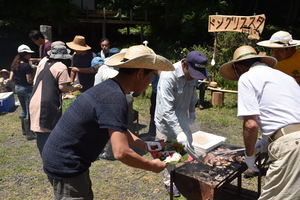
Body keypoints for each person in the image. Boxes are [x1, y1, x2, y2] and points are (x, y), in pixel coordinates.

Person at [42, 44, 174, 199]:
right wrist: (151, 166)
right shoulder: (114, 98)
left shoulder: (110, 88)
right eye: (151, 76)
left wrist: (143, 145)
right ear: (140, 73)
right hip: (66, 163)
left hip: (64, 157)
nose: (150, 83)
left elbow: (116, 127)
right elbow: (121, 152)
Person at [219, 45, 300, 200]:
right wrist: (266, 140)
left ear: (239, 67)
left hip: (292, 147)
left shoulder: (247, 77)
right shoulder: (285, 77)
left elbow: (251, 124)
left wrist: (249, 155)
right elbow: (286, 113)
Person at [155, 50, 208, 196]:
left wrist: (192, 111)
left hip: (182, 118)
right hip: (165, 122)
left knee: (187, 150)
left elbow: (193, 95)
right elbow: (166, 109)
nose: (193, 78)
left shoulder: (193, 75)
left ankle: (186, 177)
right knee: (168, 153)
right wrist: (179, 132)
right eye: (192, 73)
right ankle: (169, 182)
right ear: (184, 64)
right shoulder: (168, 76)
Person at [29, 42, 82, 156]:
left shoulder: (43, 64)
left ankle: (45, 155)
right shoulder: (61, 67)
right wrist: (75, 87)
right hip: (47, 102)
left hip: (34, 99)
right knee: (47, 131)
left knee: (41, 132)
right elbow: (63, 88)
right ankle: (49, 156)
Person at [9, 44, 36, 140]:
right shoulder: (26, 66)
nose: (30, 56)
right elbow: (29, 80)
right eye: (29, 54)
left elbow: (10, 78)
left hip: (17, 88)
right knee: (29, 109)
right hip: (26, 89)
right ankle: (29, 133)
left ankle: (24, 130)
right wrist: (34, 72)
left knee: (23, 109)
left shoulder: (15, 64)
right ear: (24, 55)